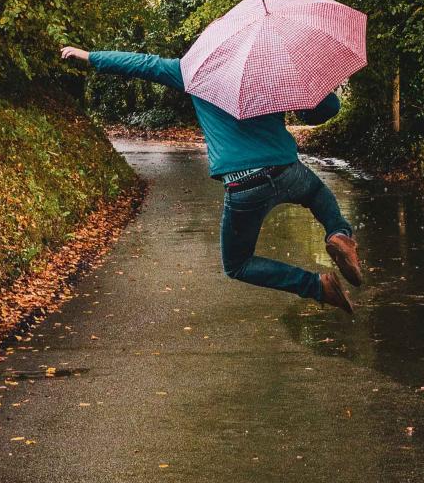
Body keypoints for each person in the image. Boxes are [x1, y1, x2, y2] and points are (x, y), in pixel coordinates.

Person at [59, 45, 363, 314]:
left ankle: (317, 287)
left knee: (238, 264)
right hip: (286, 169)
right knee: (317, 195)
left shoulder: (194, 71)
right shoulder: (268, 69)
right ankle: (338, 234)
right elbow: (328, 109)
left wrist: (90, 56)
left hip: (244, 185)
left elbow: (144, 65)